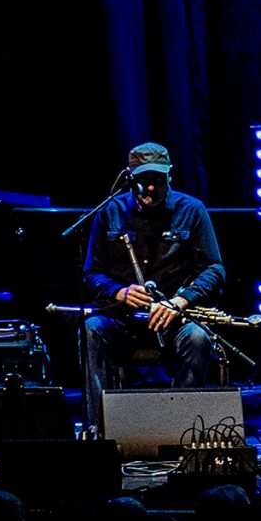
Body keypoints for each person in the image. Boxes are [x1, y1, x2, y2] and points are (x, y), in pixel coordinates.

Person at [80, 142, 227, 425]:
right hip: (122, 320)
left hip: (174, 321)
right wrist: (119, 292)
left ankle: (183, 428)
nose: (150, 188)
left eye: (158, 180)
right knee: (90, 330)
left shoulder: (192, 209)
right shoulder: (109, 212)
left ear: (170, 175)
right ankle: (99, 428)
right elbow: (91, 274)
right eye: (144, 180)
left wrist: (180, 301)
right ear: (129, 177)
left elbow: (214, 269)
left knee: (197, 338)